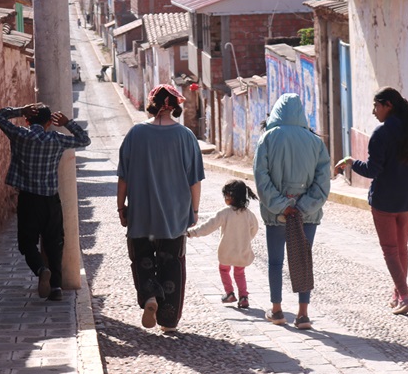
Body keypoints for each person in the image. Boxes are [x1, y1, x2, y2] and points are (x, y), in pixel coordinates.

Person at [335, 87, 408, 315]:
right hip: (407, 202)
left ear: (388, 106)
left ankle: (405, 296)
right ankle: (397, 293)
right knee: (401, 249)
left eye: (376, 106)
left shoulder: (381, 134)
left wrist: (352, 163)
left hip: (384, 202)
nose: (374, 112)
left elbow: (373, 170)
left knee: (390, 251)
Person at [117, 84, 204, 333]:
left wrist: (120, 207)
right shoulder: (186, 136)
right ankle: (168, 321)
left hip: (141, 215)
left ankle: (150, 297)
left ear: (153, 104)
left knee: (142, 259)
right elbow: (194, 181)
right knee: (172, 265)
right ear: (175, 106)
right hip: (174, 217)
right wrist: (194, 211)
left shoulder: (135, 134)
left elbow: (123, 176)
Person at [0, 102, 91, 301]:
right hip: (50, 201)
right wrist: (68, 123)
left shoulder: (20, 134)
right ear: (49, 123)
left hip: (28, 199)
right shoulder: (56, 139)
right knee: (54, 243)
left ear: (28, 120)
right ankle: (55, 287)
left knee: (27, 242)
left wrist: (20, 110)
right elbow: (84, 140)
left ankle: (40, 269)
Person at [253, 94, 331, 330]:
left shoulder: (267, 138)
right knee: (303, 259)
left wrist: (282, 205)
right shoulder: (316, 142)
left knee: (275, 262)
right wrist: (302, 207)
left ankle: (277, 311)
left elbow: (261, 177)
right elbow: (323, 182)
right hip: (307, 214)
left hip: (277, 214)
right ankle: (303, 314)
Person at [188, 180, 259, 309]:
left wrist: (192, 233)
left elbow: (208, 226)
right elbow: (254, 230)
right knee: (240, 273)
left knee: (224, 270)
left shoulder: (224, 213)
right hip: (242, 252)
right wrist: (245, 240)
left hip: (226, 252)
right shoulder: (249, 215)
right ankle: (243, 297)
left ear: (230, 196)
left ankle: (229, 293)